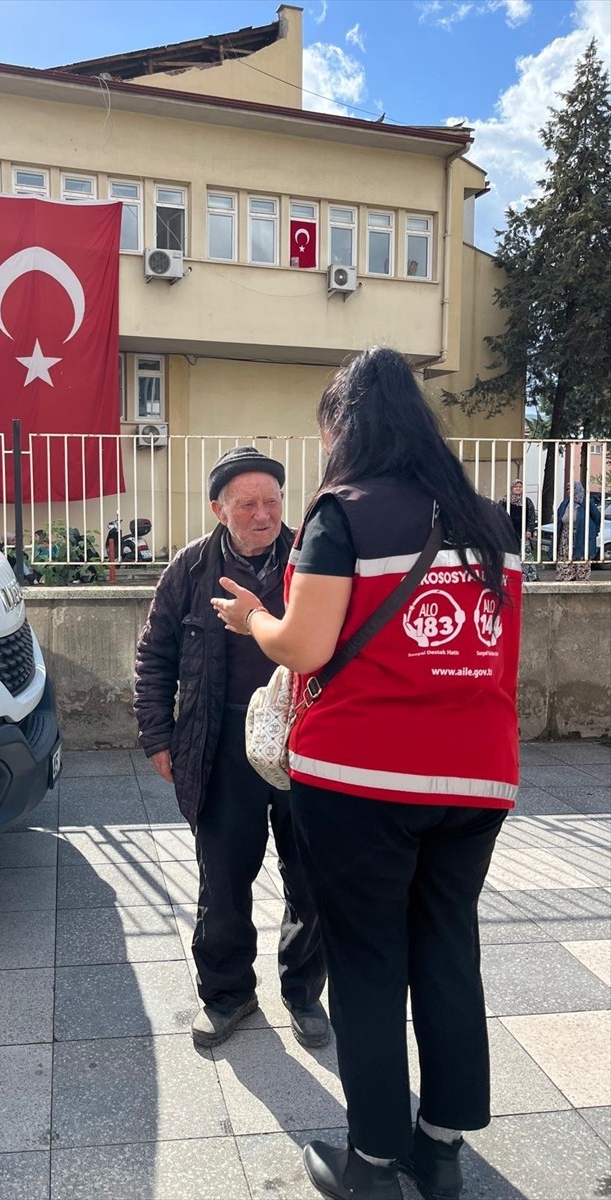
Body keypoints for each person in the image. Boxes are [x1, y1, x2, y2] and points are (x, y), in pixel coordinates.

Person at [212, 348, 522, 1200]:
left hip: (363, 779)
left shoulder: (341, 514)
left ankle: (374, 1163)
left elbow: (305, 645)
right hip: (478, 778)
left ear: (342, 428)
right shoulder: (490, 520)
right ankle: (442, 1149)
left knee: (369, 962)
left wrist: (255, 619)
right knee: (449, 951)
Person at [134, 446, 328, 1051]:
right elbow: (154, 657)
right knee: (223, 878)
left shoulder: (315, 561)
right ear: (220, 509)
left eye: (272, 501)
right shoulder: (189, 571)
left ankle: (303, 993)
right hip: (221, 743)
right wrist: (158, 737)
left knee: (312, 876)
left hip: (306, 742)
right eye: (247, 504)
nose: (263, 514)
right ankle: (227, 993)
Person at [555, 481, 601, 581]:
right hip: (566, 534)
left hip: (581, 534)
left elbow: (597, 517)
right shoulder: (565, 503)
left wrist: (593, 532)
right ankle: (566, 577)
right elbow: (559, 516)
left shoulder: (586, 502)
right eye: (567, 489)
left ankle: (582, 578)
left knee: (581, 556)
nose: (569, 491)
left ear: (578, 489)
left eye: (572, 488)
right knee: (566, 556)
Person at [504, 479, 538, 583]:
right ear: (512, 488)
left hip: (522, 533)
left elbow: (531, 517)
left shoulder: (527, 501)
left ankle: (529, 577)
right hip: (509, 533)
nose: (518, 488)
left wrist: (529, 530)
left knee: (525, 555)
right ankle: (511, 576)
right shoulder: (505, 501)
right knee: (510, 554)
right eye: (516, 487)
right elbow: (499, 515)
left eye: (520, 487)